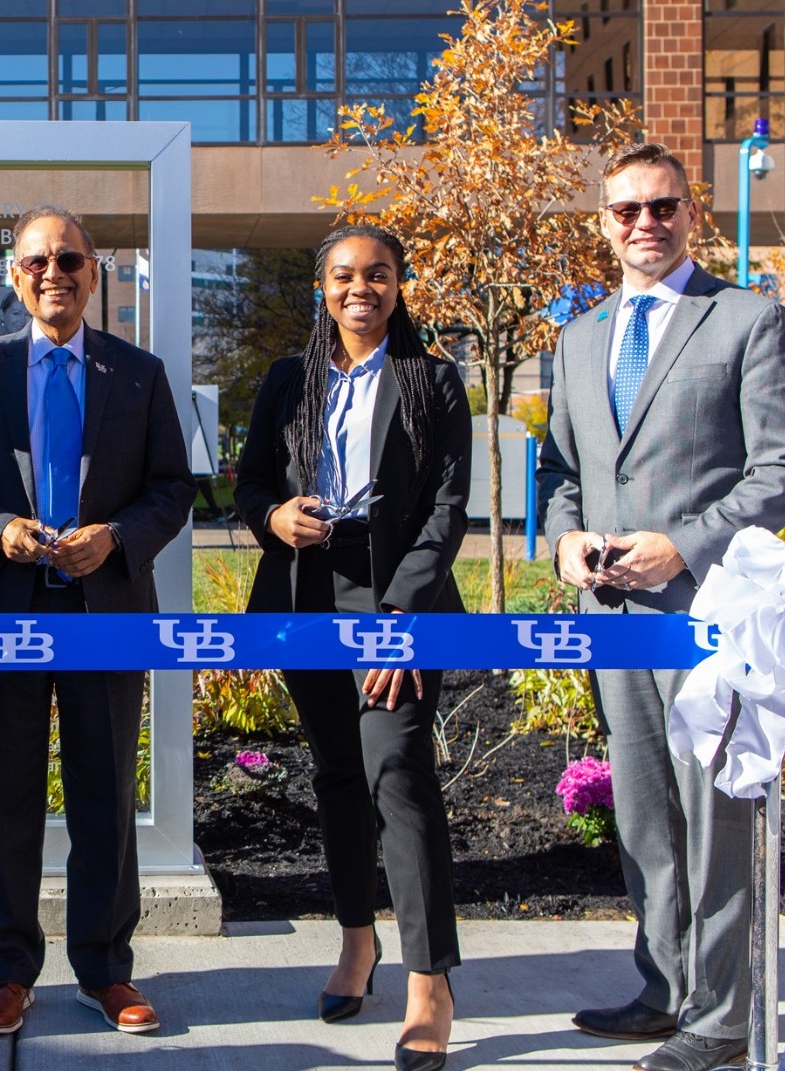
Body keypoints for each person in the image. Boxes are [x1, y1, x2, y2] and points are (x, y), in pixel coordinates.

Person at [538, 143, 785, 1071]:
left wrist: (684, 544)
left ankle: (722, 1017)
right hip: (612, 620)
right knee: (646, 815)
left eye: (663, 206)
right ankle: (663, 989)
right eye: (627, 210)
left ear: (692, 213)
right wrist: (565, 541)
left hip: (709, 614)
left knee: (714, 818)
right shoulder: (578, 338)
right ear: (604, 223)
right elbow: (563, 471)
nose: (645, 224)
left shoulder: (748, 319)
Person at [0, 205, 196, 1038]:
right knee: (5, 793)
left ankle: (105, 969)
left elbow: (173, 487)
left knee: (104, 793)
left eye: (69, 259)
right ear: (14, 275)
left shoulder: (139, 375)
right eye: (36, 260)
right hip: (5, 609)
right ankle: (7, 970)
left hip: (106, 611)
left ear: (93, 273)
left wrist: (117, 538)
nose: (53, 273)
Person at [233, 225, 471, 1071]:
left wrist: (400, 614)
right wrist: (273, 516)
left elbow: (448, 509)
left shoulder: (434, 380)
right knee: (336, 772)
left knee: (397, 771)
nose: (360, 288)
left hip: (396, 593)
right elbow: (248, 482)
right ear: (323, 286)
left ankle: (429, 982)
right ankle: (357, 939)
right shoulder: (287, 378)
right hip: (307, 591)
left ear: (399, 283)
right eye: (343, 275)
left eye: (377, 273)